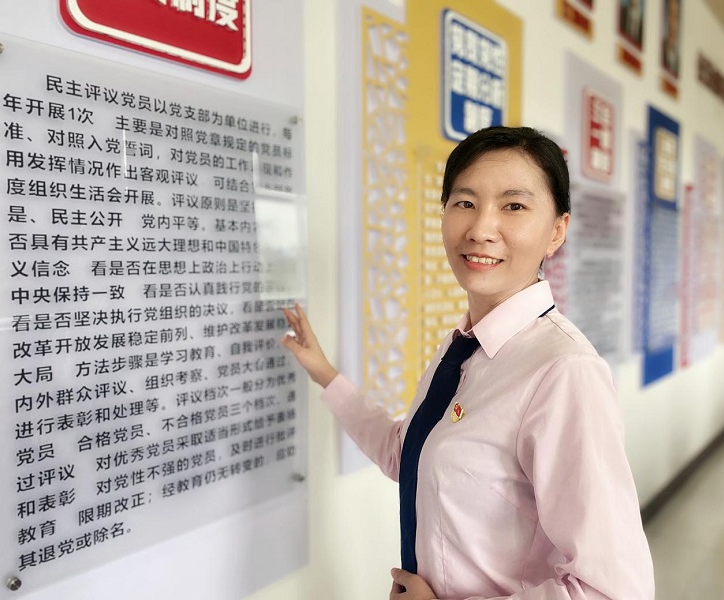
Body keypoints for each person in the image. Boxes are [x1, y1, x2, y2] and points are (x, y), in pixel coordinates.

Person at [281, 126, 654, 599]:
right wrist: (325, 374)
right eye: (464, 202)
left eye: (513, 206)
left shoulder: (564, 371)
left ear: (557, 231)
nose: (480, 229)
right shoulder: (461, 348)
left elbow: (613, 590)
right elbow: (408, 453)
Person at [662, 0, 681, 77]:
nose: (673, 23)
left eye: (676, 17)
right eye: (670, 15)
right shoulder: (660, 48)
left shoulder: (678, 59)